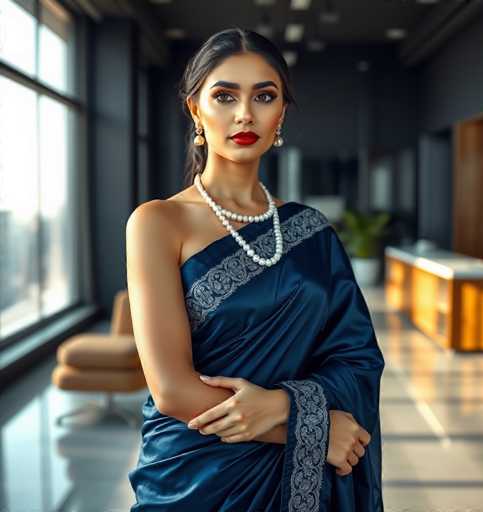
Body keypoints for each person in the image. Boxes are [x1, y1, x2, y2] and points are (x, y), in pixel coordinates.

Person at [126, 27, 385, 511]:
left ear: (281, 113)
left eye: (263, 96)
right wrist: (307, 431)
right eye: (224, 96)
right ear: (195, 110)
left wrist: (280, 404)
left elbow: (357, 358)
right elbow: (172, 390)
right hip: (193, 473)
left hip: (297, 481)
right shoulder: (159, 222)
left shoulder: (311, 231)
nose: (245, 113)